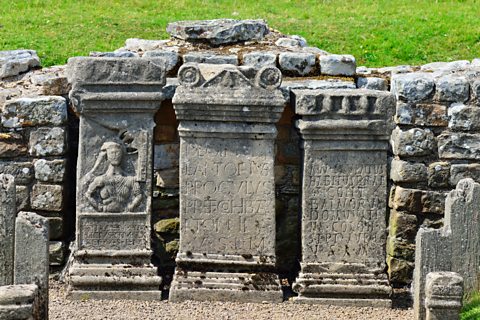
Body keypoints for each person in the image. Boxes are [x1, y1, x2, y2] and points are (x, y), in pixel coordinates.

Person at [85, 141, 142, 212]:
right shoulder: (100, 179)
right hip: (102, 216)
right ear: (107, 156)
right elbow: (88, 194)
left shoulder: (130, 180)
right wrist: (98, 207)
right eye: (112, 153)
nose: (115, 156)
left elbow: (139, 195)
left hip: (126, 215)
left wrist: (132, 206)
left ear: (121, 155)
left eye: (117, 153)